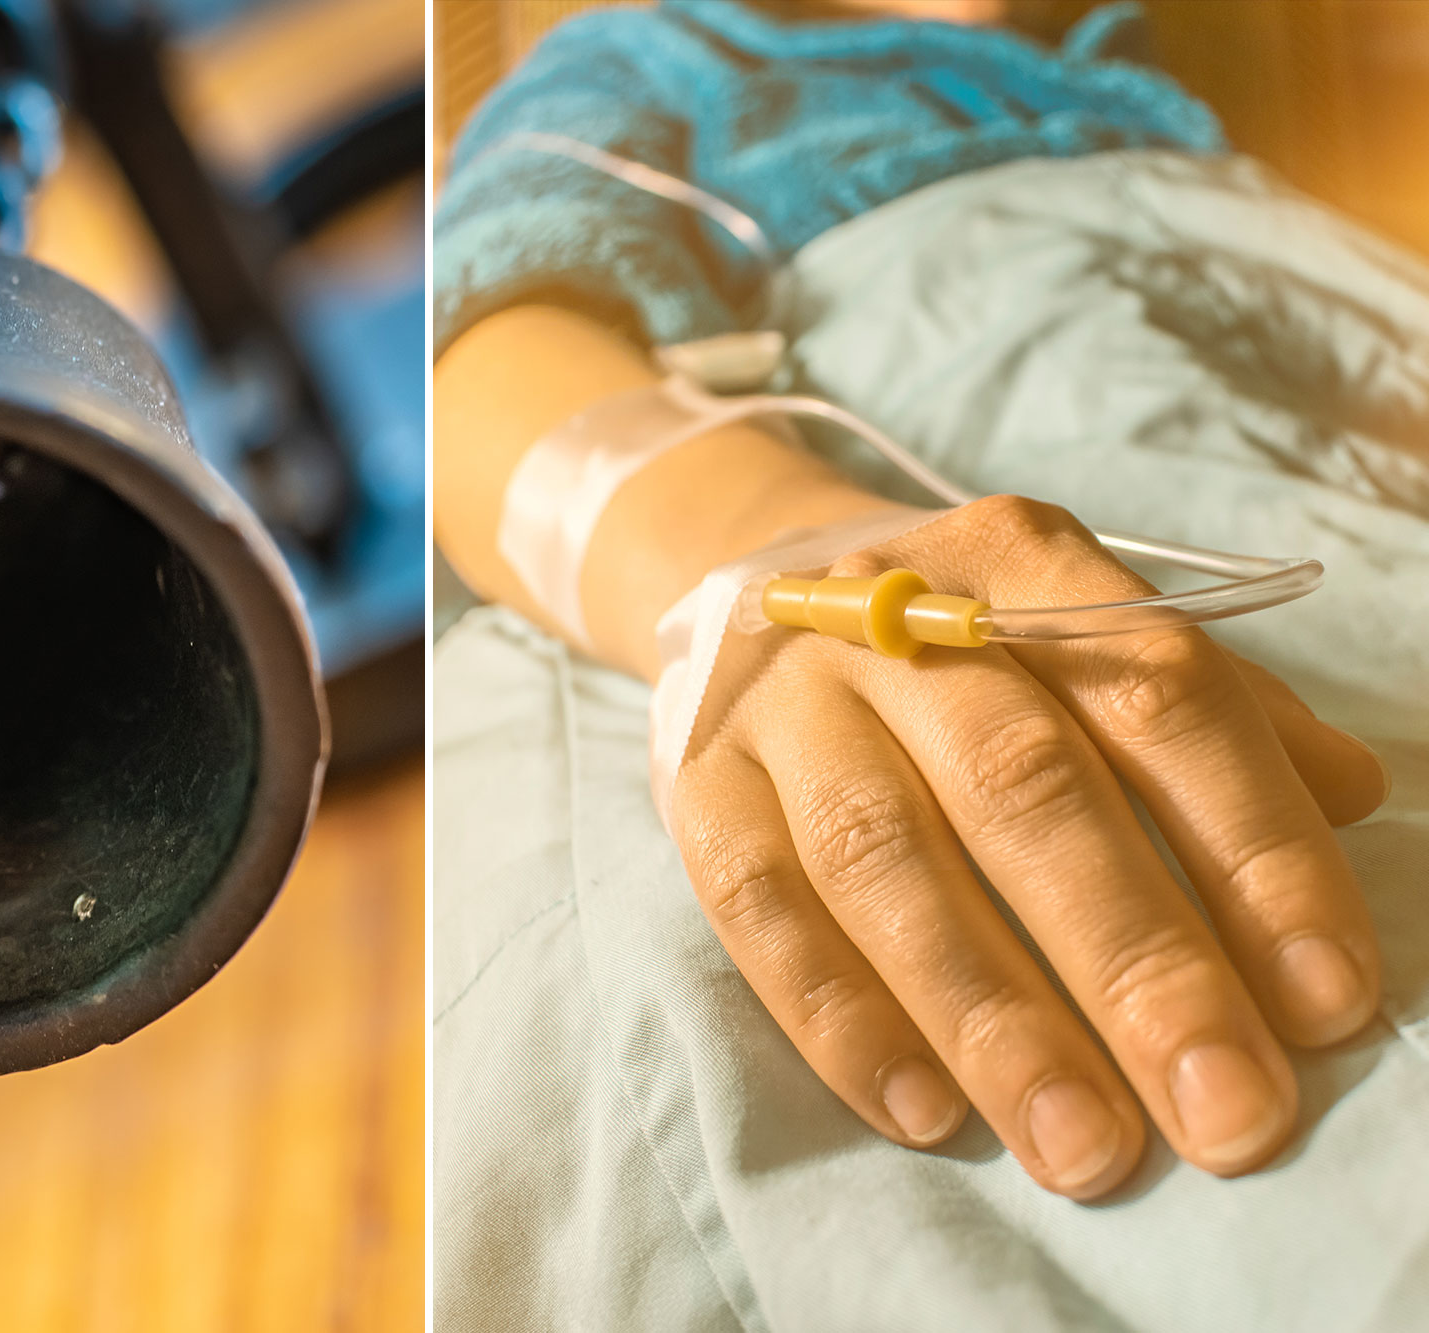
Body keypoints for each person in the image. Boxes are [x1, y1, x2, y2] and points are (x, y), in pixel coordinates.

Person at [433, 2, 1429, 1327]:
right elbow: (484, 366)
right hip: (935, 440)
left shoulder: (1181, 57)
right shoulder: (675, 57)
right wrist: (794, 564)